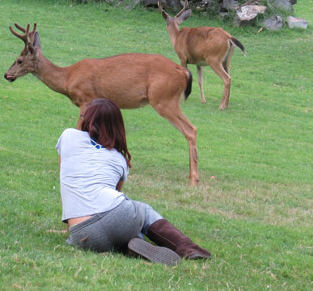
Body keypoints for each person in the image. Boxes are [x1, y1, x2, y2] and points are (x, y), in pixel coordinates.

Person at [55, 98, 211, 265]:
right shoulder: (118, 158)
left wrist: (70, 224)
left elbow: (67, 179)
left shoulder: (68, 137)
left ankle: (132, 245)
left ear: (86, 118)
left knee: (111, 232)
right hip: (117, 214)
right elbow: (116, 195)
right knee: (142, 211)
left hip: (82, 234)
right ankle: (187, 248)